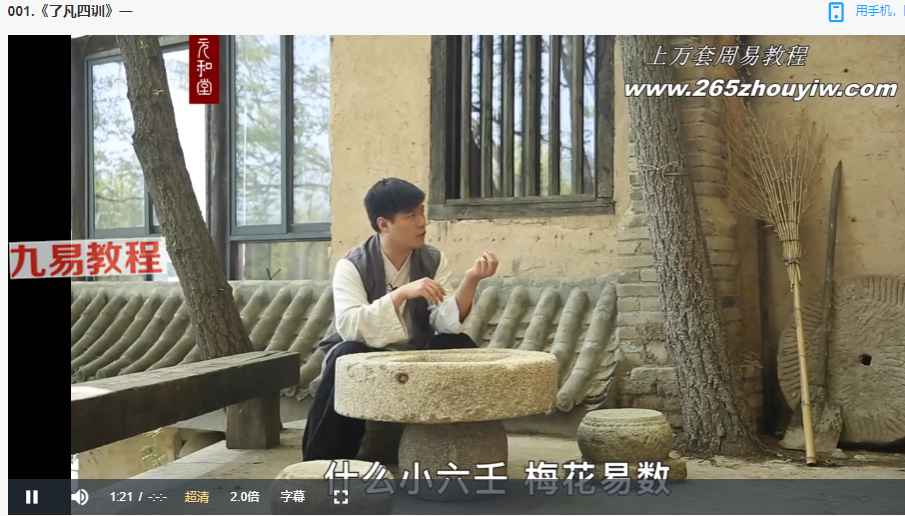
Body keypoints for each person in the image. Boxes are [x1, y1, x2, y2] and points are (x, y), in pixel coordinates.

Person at [301, 177, 499, 461]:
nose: (422, 222)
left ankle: (471, 445)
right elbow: (350, 325)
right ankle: (323, 462)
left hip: (415, 350)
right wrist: (401, 294)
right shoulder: (352, 265)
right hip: (367, 350)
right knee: (345, 355)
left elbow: (444, 321)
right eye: (411, 215)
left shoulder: (432, 259)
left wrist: (471, 281)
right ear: (384, 224)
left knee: (458, 343)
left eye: (422, 212)